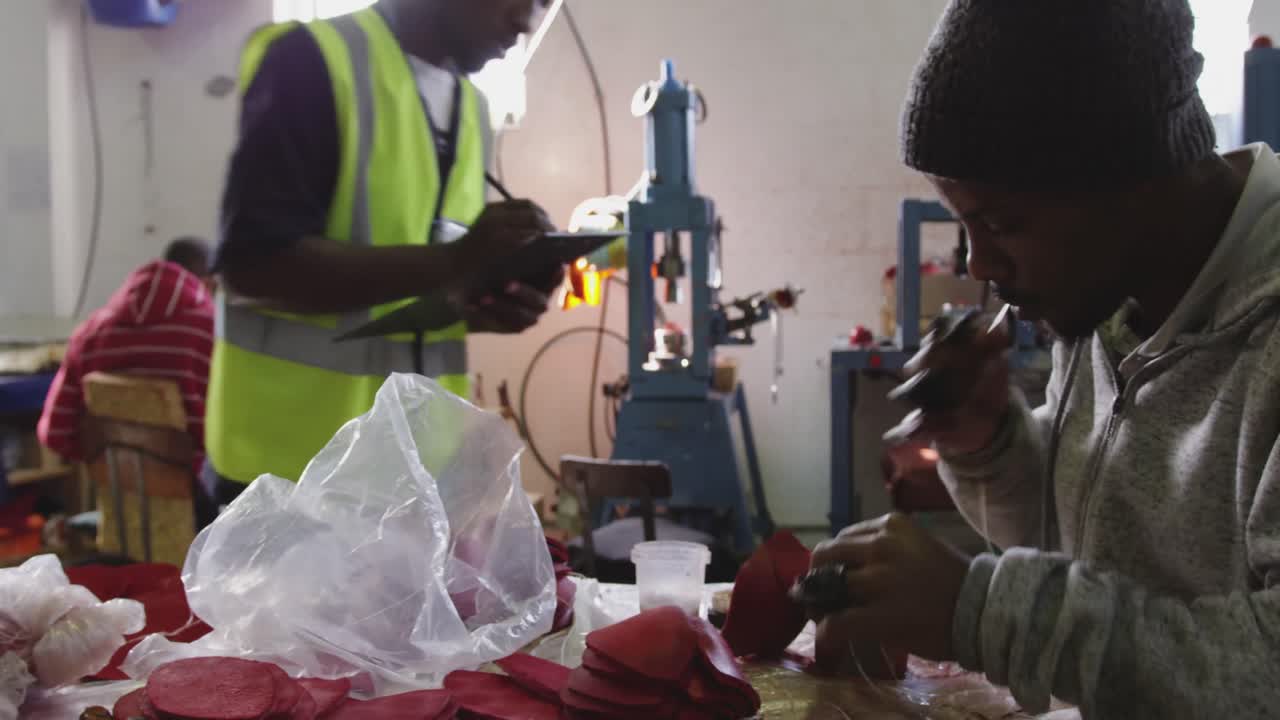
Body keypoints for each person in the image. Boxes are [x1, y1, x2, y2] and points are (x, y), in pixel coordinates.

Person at [811, 1, 1280, 717]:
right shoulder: (1110, 297)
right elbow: (1092, 546)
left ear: (1135, 177)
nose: (979, 262)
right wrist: (990, 446)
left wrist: (984, 611)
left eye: (1001, 223)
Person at [206, 0, 561, 506]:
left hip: (411, 484)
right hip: (288, 486)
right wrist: (458, 260)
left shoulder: (473, 109)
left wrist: (481, 306)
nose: (526, 21)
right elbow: (254, 268)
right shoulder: (312, 62)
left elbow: (409, 287)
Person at [38, 237, 216, 475]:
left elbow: (55, 434)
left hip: (117, 499)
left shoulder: (90, 333)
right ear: (207, 284)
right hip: (202, 501)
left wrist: (113, 463)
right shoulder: (211, 332)